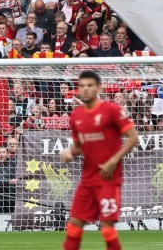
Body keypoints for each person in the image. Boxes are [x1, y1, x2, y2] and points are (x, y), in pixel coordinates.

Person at [59, 70, 139, 250]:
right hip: (87, 178)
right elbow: (80, 146)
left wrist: (113, 161)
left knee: (107, 227)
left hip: (108, 178)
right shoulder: (77, 116)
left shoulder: (112, 110)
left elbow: (133, 138)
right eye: (82, 86)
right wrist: (69, 152)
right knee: (74, 225)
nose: (85, 89)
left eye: (90, 85)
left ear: (99, 87)